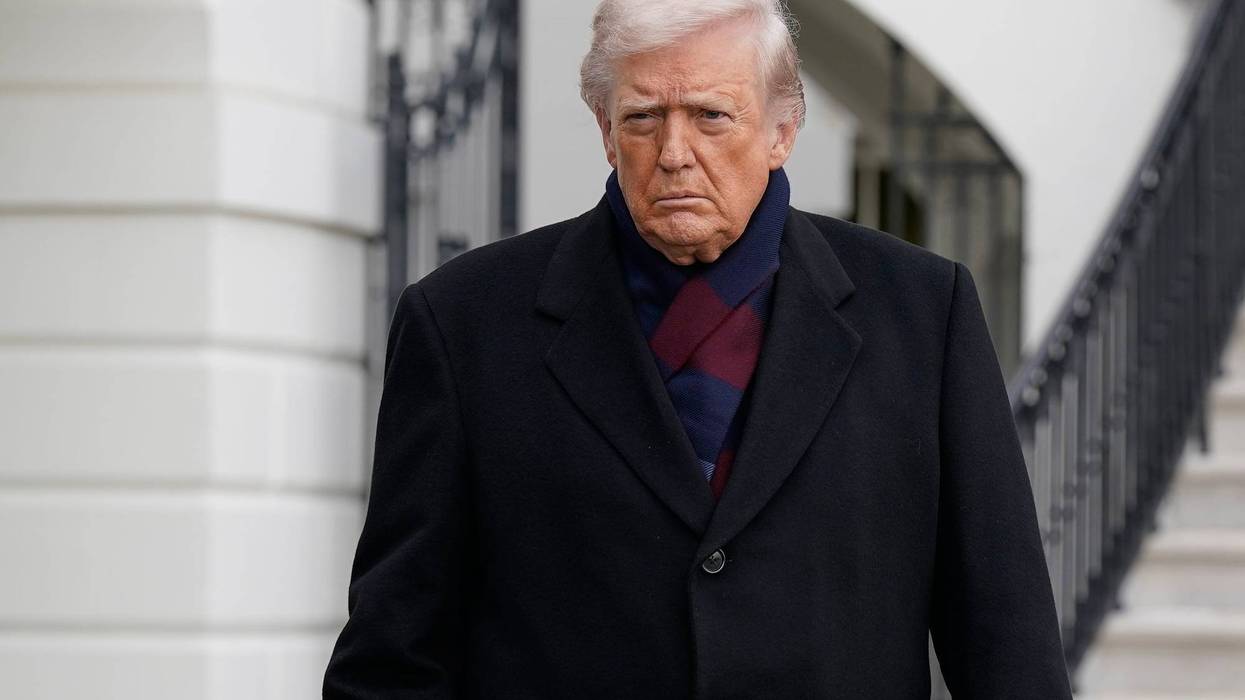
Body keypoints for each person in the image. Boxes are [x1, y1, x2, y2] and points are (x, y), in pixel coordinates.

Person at [323, 1, 1074, 697]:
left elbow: (1008, 648)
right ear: (605, 130)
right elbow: (393, 660)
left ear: (782, 131)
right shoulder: (463, 323)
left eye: (711, 115)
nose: (674, 152)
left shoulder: (923, 313)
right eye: (643, 117)